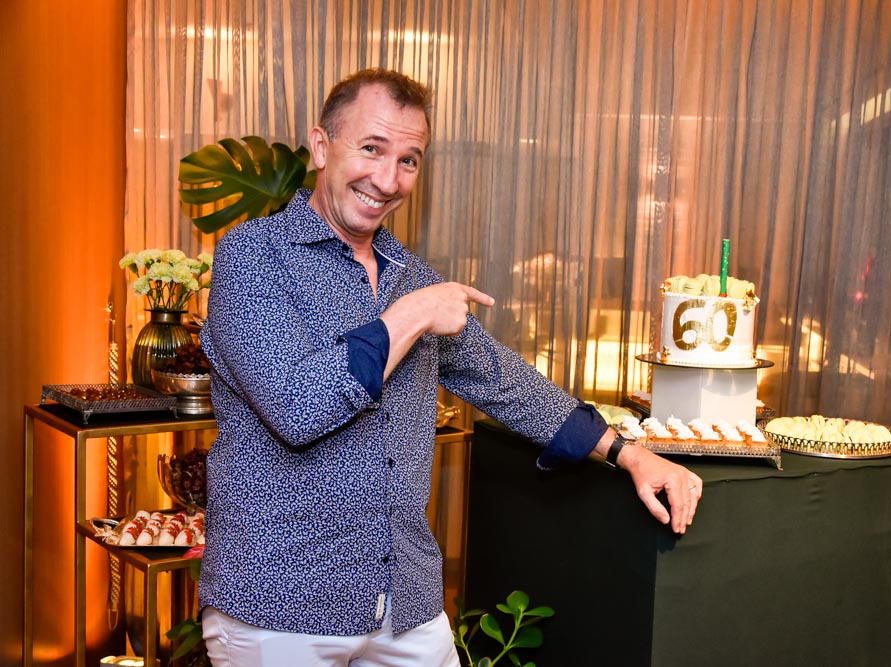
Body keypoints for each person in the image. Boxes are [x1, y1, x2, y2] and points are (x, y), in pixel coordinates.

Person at [197, 68, 703, 667]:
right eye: (371, 148)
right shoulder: (253, 256)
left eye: (408, 160)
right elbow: (296, 408)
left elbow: (505, 382)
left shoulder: (411, 275)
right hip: (278, 606)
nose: (388, 180)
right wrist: (409, 316)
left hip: (405, 602)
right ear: (321, 146)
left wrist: (630, 454)